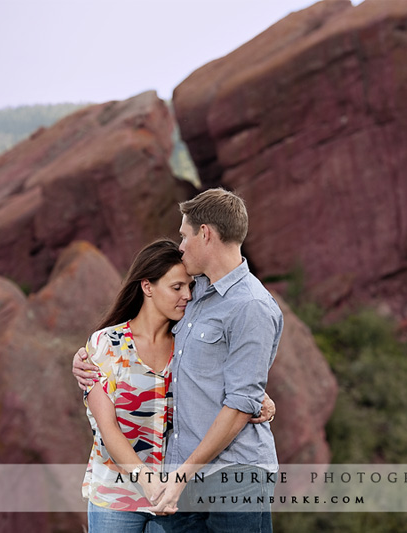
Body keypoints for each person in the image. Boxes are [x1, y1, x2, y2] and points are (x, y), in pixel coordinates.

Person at [75, 188, 282, 532]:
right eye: (177, 288)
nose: (181, 245)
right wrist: (84, 358)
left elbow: (241, 395)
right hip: (163, 484)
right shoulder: (198, 292)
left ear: (206, 234)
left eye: (185, 235)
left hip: (226, 476)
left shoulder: (250, 305)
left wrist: (257, 401)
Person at [82, 239, 190, 532]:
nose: (187, 295)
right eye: (177, 287)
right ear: (147, 287)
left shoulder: (188, 346)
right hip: (115, 499)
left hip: (172, 502)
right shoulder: (106, 344)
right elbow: (107, 428)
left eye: (190, 287)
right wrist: (147, 481)